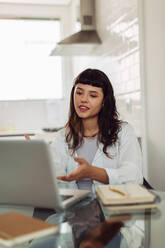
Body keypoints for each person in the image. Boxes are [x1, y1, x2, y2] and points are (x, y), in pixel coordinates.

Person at [51, 68, 143, 192]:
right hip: (74, 208)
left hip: (112, 208)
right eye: (79, 93)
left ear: (104, 101)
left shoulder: (124, 132)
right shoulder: (63, 136)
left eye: (93, 95)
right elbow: (55, 178)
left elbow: (134, 176)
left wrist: (92, 172)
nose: (83, 99)